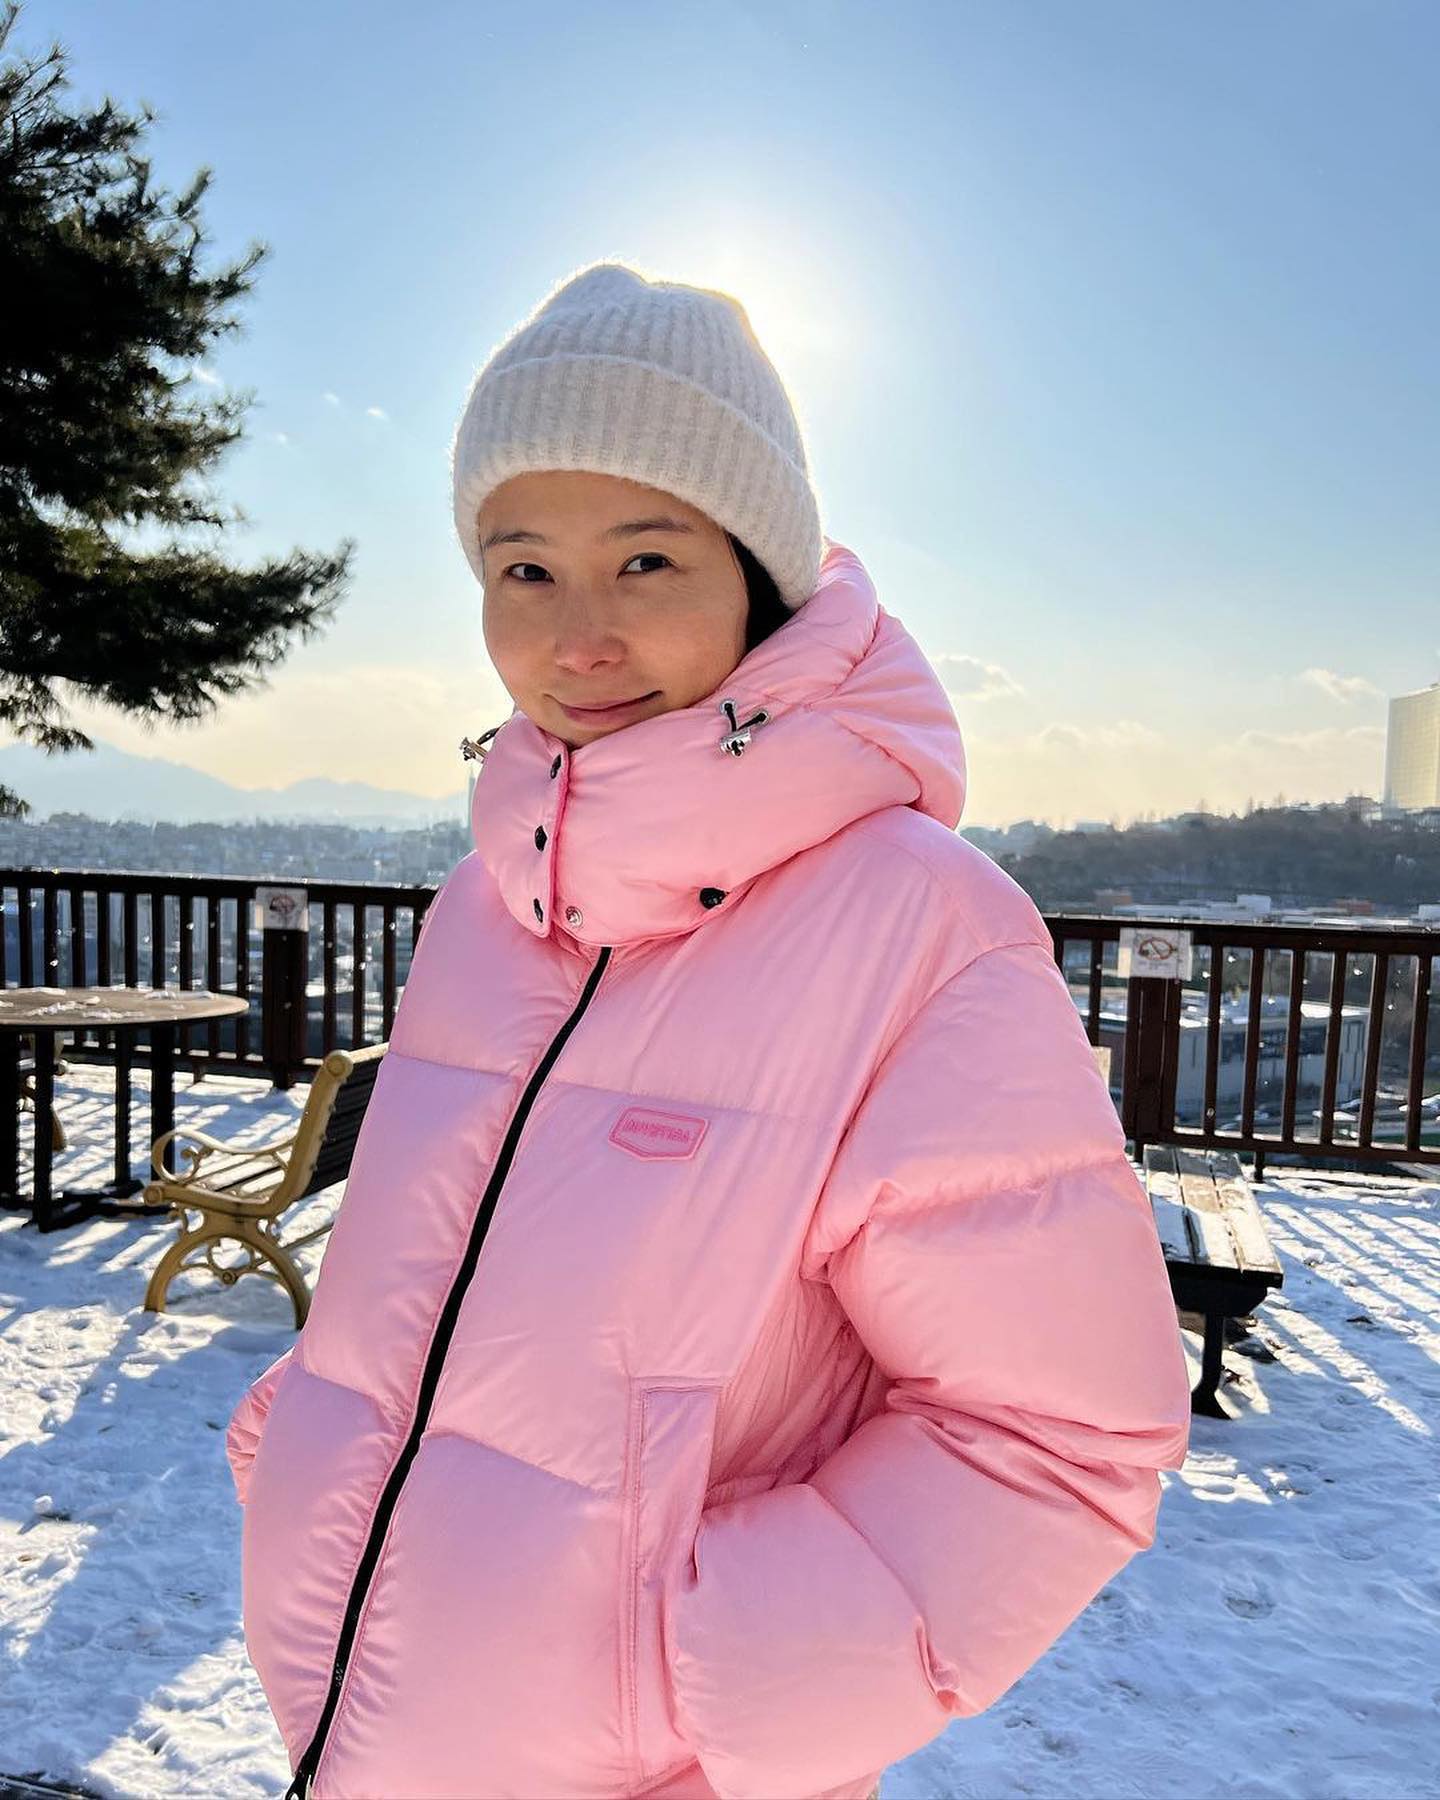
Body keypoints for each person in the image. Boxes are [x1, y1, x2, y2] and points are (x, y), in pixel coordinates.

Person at [226, 261, 1193, 1800]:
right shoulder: (488, 903)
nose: (580, 637)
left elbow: (1059, 1428)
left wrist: (705, 1669)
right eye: (524, 569)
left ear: (760, 576)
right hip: (360, 1726)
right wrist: (310, 1446)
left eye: (649, 559)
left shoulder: (918, 925)